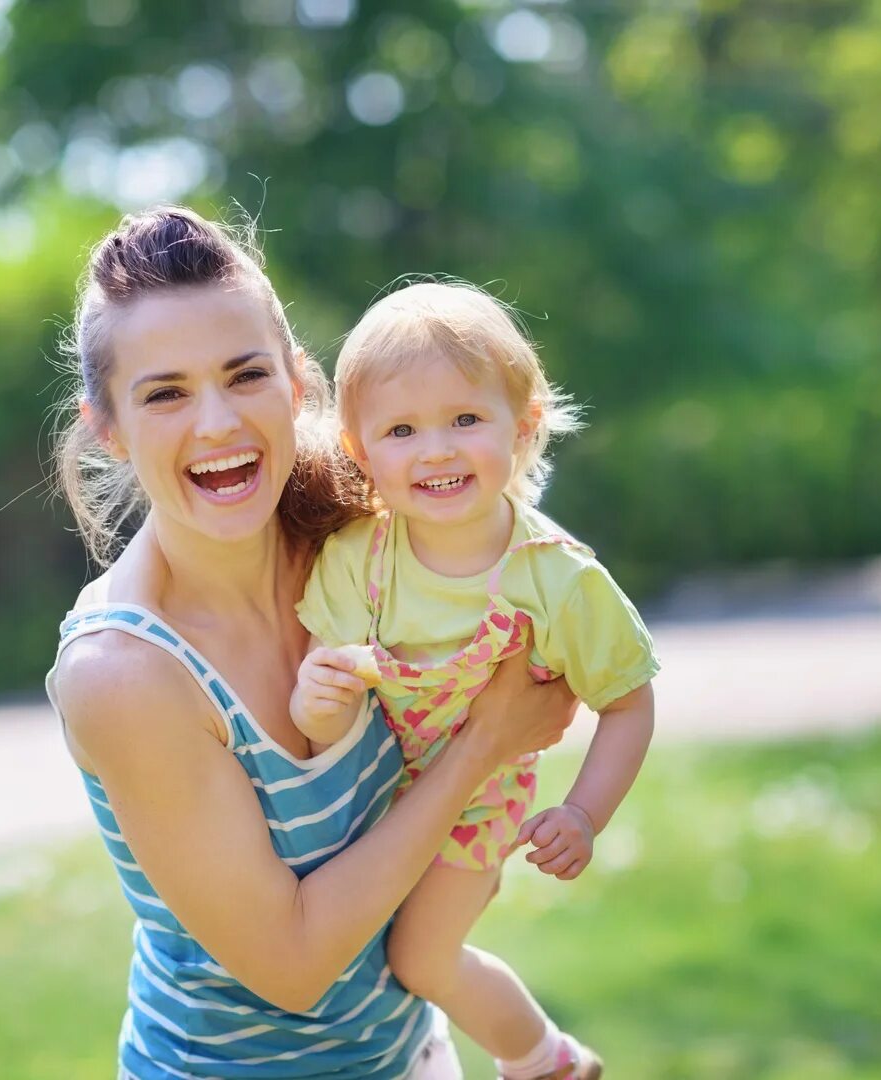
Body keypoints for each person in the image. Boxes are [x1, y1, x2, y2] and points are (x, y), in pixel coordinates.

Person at [45, 207, 576, 1080]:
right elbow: (292, 966)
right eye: (166, 392)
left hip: (410, 1055)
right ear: (108, 426)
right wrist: (485, 743)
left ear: (296, 384)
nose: (216, 422)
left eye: (245, 375)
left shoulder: (363, 545)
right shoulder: (125, 675)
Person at [289, 282, 659, 1080]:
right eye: (400, 430)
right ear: (359, 452)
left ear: (522, 426)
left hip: (478, 806)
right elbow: (326, 696)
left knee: (422, 958)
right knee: (346, 955)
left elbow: (627, 701)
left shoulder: (556, 580)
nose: (436, 450)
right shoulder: (361, 557)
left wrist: (586, 813)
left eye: (465, 419)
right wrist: (316, 703)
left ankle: (544, 1059)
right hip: (375, 794)